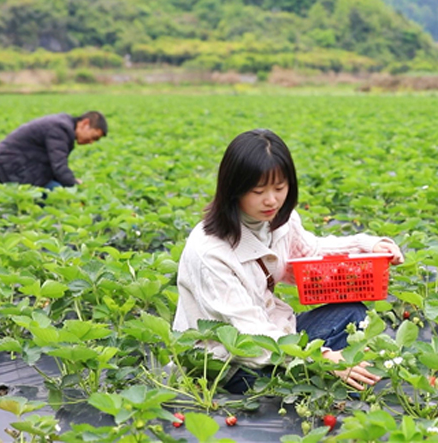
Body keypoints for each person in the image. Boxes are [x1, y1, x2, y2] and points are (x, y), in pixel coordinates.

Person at [173, 128, 404, 395]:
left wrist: (369, 246)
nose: (271, 200)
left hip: (274, 329)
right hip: (229, 361)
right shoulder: (210, 252)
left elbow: (310, 253)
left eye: (279, 188)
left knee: (353, 313)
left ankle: (343, 372)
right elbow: (249, 333)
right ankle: (339, 377)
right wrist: (323, 358)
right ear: (233, 190)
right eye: (258, 190)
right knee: (319, 376)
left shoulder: (279, 219)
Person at [0, 111, 107, 189]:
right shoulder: (60, 129)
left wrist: (72, 181)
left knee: (56, 190)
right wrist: (75, 187)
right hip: (4, 168)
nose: (91, 142)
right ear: (85, 123)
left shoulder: (64, 126)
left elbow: (53, 166)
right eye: (94, 137)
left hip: (18, 167)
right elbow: (59, 166)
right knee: (56, 194)